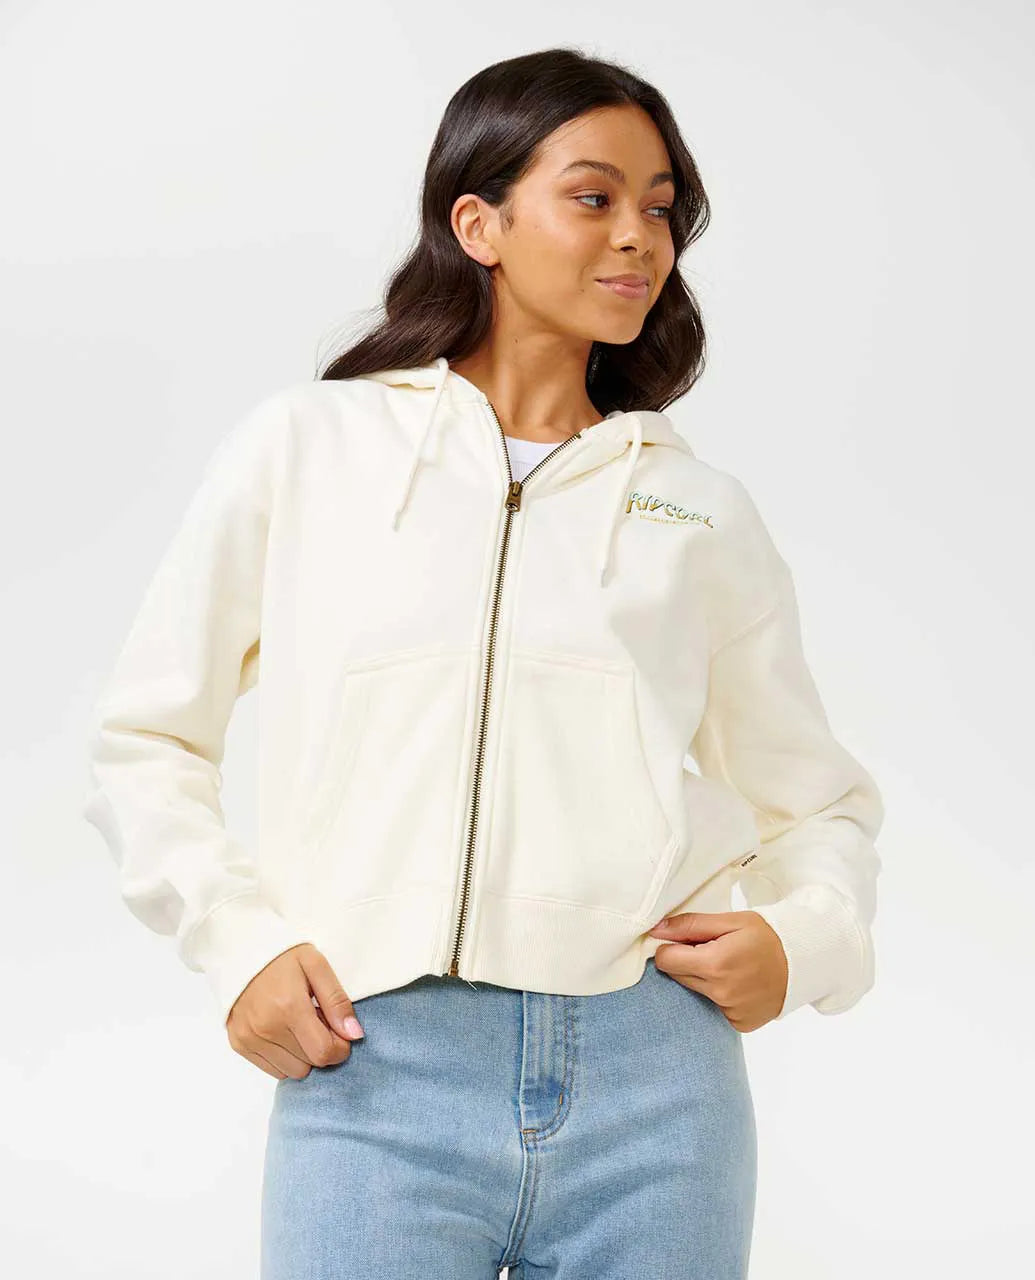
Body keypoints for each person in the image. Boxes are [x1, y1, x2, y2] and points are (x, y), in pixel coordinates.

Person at [82, 46, 884, 1280]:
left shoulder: (696, 511)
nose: (639, 236)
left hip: (656, 1083)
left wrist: (806, 938)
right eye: (594, 196)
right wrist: (238, 942)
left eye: (661, 207)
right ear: (480, 223)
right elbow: (146, 736)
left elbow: (817, 800)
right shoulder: (310, 449)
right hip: (375, 1065)